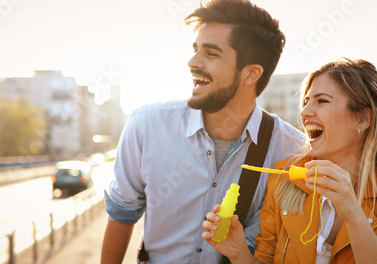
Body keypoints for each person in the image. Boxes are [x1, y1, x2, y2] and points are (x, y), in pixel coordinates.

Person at [100, 0, 305, 263]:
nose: (192, 61)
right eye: (196, 49)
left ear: (251, 73)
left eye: (211, 54)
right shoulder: (146, 125)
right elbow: (121, 214)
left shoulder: (291, 150)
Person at [202, 58, 377, 264]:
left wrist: (352, 213)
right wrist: (239, 254)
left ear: (363, 118)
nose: (304, 113)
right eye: (306, 101)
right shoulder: (284, 179)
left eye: (322, 101)